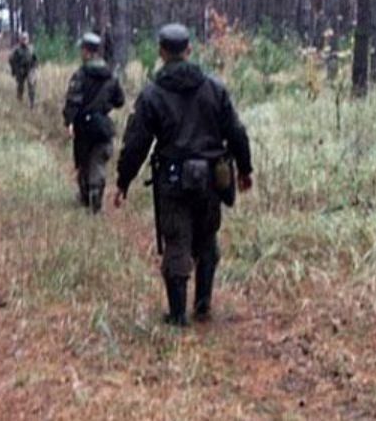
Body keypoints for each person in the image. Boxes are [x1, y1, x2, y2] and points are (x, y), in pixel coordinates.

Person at [114, 24, 254, 327]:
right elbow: (236, 132)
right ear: (188, 50)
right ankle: (203, 305)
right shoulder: (214, 88)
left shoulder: (152, 94)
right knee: (206, 240)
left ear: (162, 52)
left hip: (173, 181)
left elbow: (136, 142)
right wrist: (245, 170)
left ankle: (178, 315)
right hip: (211, 179)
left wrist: (123, 181)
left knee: (177, 241)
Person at [62, 33, 125, 213]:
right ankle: (96, 196)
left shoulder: (81, 74)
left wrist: (69, 121)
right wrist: (104, 106)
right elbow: (120, 100)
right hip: (103, 126)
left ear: (87, 51)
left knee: (83, 161)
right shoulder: (111, 75)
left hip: (83, 126)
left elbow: (73, 100)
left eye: (82, 49)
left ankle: (86, 197)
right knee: (98, 162)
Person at [9, 32, 39, 108]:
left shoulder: (31, 48)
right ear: (20, 40)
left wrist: (35, 68)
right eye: (23, 39)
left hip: (30, 69)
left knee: (31, 85)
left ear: (28, 39)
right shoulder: (17, 50)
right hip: (20, 70)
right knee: (20, 86)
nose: (24, 40)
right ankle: (19, 101)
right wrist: (14, 71)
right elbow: (12, 60)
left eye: (26, 39)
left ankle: (32, 103)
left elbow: (35, 59)